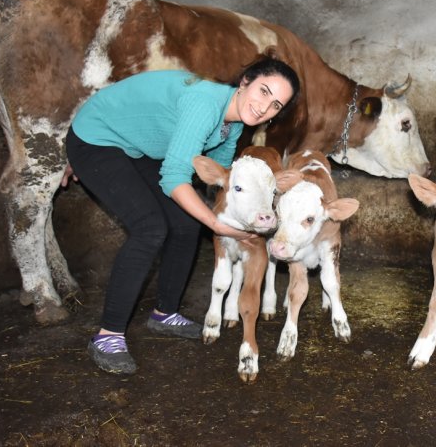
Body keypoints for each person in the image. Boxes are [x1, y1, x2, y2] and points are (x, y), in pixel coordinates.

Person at [65, 57, 300, 375]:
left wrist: (251, 212)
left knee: (186, 223)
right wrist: (217, 225)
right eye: (263, 91)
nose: (264, 107)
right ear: (244, 81)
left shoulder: (234, 124)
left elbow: (218, 179)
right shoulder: (205, 104)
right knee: (150, 228)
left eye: (275, 105)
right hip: (97, 139)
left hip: (135, 145)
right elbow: (175, 177)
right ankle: (108, 336)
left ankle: (165, 313)